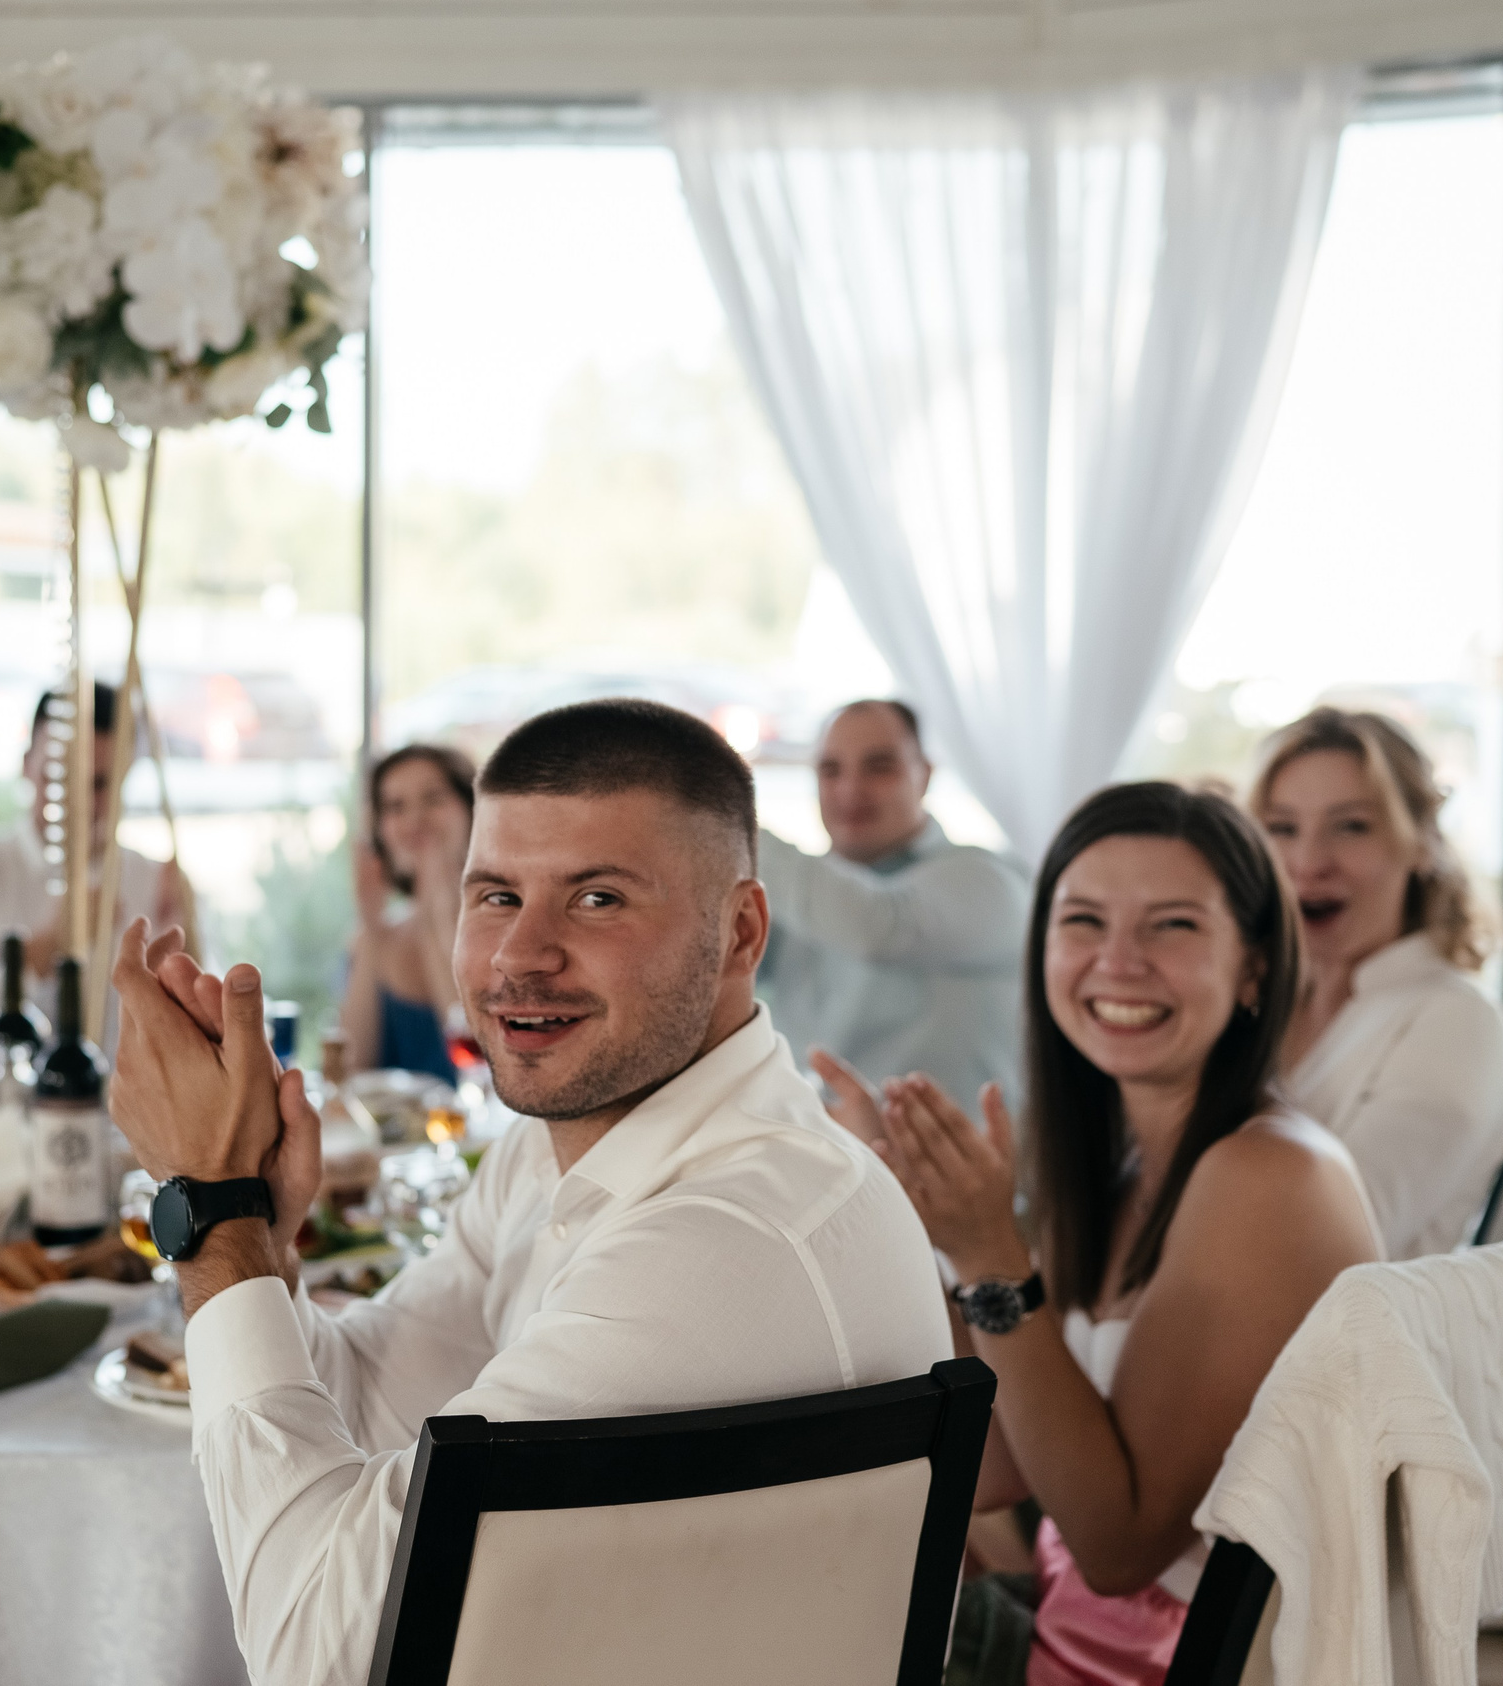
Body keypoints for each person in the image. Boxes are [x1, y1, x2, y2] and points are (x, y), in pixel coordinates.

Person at [106, 698, 953, 1686]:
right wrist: (261, 1234)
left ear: (738, 931)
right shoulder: (549, 1153)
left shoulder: (723, 1239)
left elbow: (313, 1648)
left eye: (596, 899)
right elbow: (379, 1397)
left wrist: (211, 1213)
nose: (519, 954)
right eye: (495, 894)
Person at [832, 782, 1379, 1686]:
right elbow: (1004, 1459)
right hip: (1068, 1631)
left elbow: (1117, 1545)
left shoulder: (1271, 1177)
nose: (1118, 963)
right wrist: (909, 1218)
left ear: (1253, 966)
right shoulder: (1129, 1162)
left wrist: (987, 1254)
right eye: (1083, 921)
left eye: (1172, 926)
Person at [1250, 707, 1503, 1261]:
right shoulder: (1259, 1000)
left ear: (1421, 842)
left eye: (1351, 826)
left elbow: (1331, 1242)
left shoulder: (1456, 1020)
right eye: (1281, 828)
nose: (1308, 861)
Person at [759, 698, 1032, 1113]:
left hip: (947, 1171)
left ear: (925, 774)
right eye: (830, 770)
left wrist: (718, 823)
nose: (850, 790)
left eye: (879, 767)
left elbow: (877, 925)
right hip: (805, 1157)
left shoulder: (988, 880)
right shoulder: (798, 897)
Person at [0, 683, 189, 1030]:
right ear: (27, 763)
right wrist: (49, 946)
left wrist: (186, 944)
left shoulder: (157, 883)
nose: (81, 802)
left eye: (100, 783)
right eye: (61, 777)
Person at [338, 742, 474, 1081]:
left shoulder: (507, 932)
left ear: (472, 809)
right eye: (396, 807)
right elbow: (349, 1072)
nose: (416, 820)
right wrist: (371, 925)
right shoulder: (374, 937)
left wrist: (435, 918)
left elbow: (479, 1068)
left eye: (433, 799)